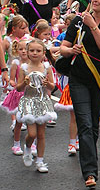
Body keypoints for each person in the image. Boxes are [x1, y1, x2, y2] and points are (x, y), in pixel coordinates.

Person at [59, 0, 100, 188]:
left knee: (93, 125)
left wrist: (93, 26)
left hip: (99, 79)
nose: (95, 0)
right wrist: (71, 50)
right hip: (78, 78)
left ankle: (88, 160)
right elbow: (63, 46)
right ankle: (90, 172)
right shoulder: (78, 20)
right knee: (84, 123)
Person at [16, 39, 56, 173]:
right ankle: (27, 148)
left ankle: (40, 161)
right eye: (32, 50)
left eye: (38, 51)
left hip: (42, 102)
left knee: (41, 134)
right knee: (32, 134)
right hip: (29, 102)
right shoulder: (24, 68)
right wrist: (25, 83)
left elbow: (52, 86)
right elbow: (19, 88)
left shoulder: (46, 67)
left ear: (44, 53)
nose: (35, 53)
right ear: (27, 53)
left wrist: (47, 84)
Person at [2, 38, 29, 156]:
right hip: (20, 94)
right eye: (20, 49)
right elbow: (12, 79)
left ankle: (32, 144)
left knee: (32, 122)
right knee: (19, 121)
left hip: (31, 95)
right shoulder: (16, 64)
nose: (23, 51)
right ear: (16, 51)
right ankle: (16, 144)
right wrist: (13, 83)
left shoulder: (34, 64)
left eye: (25, 49)